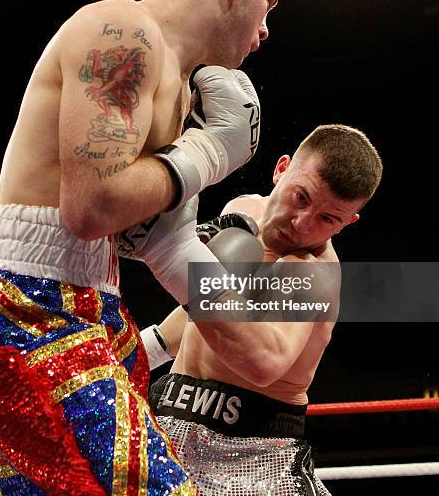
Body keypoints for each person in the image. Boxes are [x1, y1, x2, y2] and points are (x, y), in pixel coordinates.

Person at [0, 0, 289, 496]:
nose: (265, 28)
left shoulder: (181, 95)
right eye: (268, 0)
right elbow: (91, 208)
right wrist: (210, 155)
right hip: (22, 297)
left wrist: (262, 318)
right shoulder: (121, 31)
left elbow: (168, 245)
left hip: (92, 304)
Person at [141, 124, 383, 495]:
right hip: (169, 420)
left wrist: (178, 261)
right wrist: (143, 350)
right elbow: (210, 315)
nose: (302, 224)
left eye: (327, 219)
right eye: (301, 198)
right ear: (281, 170)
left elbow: (265, 362)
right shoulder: (240, 211)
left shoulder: (312, 273)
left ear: (348, 223)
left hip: (254, 453)